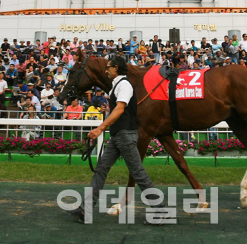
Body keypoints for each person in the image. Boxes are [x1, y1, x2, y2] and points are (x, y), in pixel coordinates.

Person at [66, 56, 172, 225]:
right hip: (118, 136)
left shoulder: (124, 85)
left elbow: (120, 110)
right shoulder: (117, 86)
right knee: (101, 169)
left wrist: (100, 128)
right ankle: (85, 210)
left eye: (108, 67)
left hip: (125, 136)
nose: (106, 70)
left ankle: (161, 209)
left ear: (116, 68)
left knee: (138, 173)